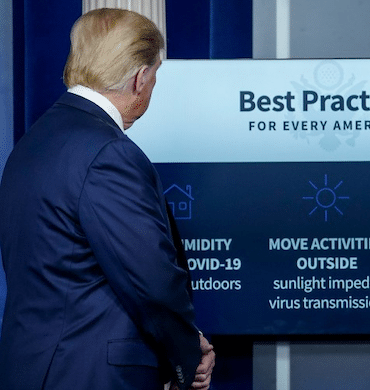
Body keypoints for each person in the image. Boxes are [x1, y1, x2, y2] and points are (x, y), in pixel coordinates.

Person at [0, 8, 215, 390]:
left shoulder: (32, 144)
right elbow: (150, 280)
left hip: (35, 369)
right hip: (93, 375)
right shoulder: (108, 152)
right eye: (156, 76)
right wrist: (188, 356)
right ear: (140, 77)